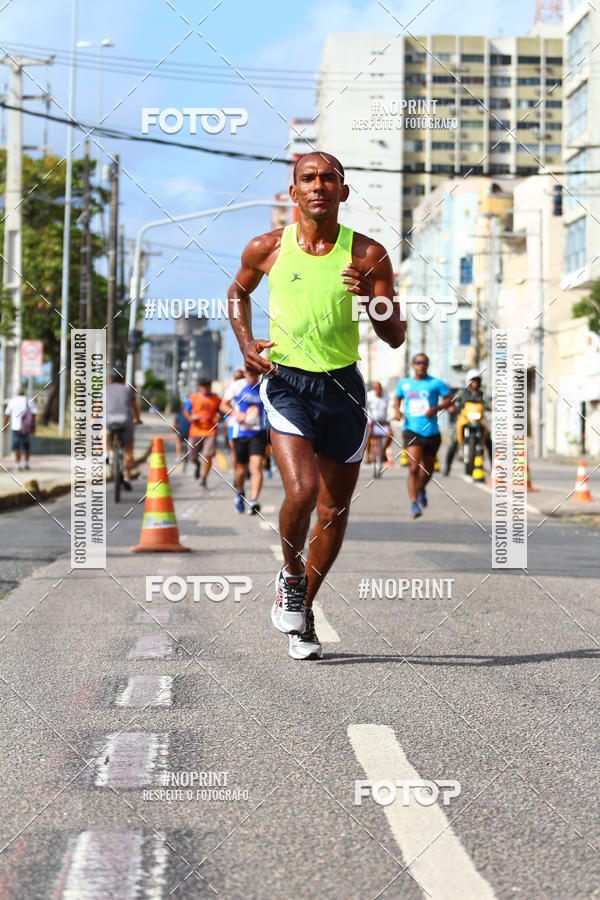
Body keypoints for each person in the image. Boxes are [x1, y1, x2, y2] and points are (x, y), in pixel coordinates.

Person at [228, 150, 405, 660]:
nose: (319, 185)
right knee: (302, 491)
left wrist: (373, 298)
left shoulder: (368, 254)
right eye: (308, 178)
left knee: (333, 510)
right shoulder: (267, 248)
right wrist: (245, 342)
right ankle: (289, 575)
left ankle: (303, 610)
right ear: (294, 192)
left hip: (344, 389)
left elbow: (394, 337)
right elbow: (236, 294)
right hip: (286, 382)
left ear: (343, 192)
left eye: (330, 178)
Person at [393, 354, 453, 519]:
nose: (421, 365)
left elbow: (450, 400)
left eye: (424, 363)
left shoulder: (436, 383)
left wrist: (436, 408)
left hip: (432, 431)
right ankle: (414, 503)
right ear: (413, 365)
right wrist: (397, 410)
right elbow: (397, 398)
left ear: (427, 365)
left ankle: (421, 488)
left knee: (428, 469)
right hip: (411, 430)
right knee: (413, 467)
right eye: (418, 362)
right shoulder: (404, 384)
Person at [220, 369, 268, 515]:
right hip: (240, 432)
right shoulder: (237, 386)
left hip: (258, 432)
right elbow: (223, 405)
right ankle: (239, 493)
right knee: (241, 469)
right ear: (246, 374)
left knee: (257, 465)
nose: (253, 377)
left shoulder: (264, 386)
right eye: (250, 374)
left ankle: (253, 501)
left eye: (256, 374)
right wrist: (236, 414)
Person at [444, 370, 493, 475]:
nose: (475, 383)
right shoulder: (462, 393)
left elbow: (489, 403)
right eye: (473, 380)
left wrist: (492, 406)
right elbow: (453, 401)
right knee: (454, 441)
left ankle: (495, 468)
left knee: (489, 440)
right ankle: (447, 466)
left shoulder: (483, 394)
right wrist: (452, 406)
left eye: (477, 380)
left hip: (479, 420)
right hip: (465, 419)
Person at [106, 373, 141, 490]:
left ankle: (106, 453)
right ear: (123, 381)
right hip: (126, 420)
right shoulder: (128, 390)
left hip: (109, 419)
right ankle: (127, 477)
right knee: (129, 449)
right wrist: (137, 419)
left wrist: (93, 419)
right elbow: (135, 407)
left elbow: (98, 406)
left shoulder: (104, 389)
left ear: (110, 381)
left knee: (104, 430)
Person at [184, 379, 222, 488]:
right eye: (203, 386)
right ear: (199, 387)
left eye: (207, 386)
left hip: (210, 431)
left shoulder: (216, 399)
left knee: (208, 455)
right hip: (195, 431)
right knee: (192, 456)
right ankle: (197, 464)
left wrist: (219, 417)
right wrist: (190, 418)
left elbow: (222, 412)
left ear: (210, 386)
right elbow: (186, 410)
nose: (205, 388)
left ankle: (204, 478)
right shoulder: (193, 398)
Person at [4, 387, 38, 471]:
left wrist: (5, 426)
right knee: (26, 446)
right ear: (24, 393)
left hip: (16, 427)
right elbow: (33, 415)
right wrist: (33, 427)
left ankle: (18, 465)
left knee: (17, 447)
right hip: (26, 428)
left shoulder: (12, 401)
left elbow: (7, 415)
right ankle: (26, 463)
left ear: (16, 393)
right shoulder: (29, 401)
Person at [366, 380, 392, 472]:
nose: (378, 390)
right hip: (372, 422)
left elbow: (390, 408)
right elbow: (365, 409)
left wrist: (389, 420)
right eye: (376, 389)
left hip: (384, 421)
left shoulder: (386, 396)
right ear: (373, 389)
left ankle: (383, 452)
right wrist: (370, 421)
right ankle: (368, 456)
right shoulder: (369, 396)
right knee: (368, 435)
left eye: (379, 388)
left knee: (391, 434)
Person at [172, 399, 191, 467]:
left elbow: (175, 424)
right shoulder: (191, 414)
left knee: (178, 441)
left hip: (182, 432)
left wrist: (173, 429)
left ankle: (179, 455)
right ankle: (191, 454)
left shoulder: (179, 414)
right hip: (190, 433)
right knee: (191, 443)